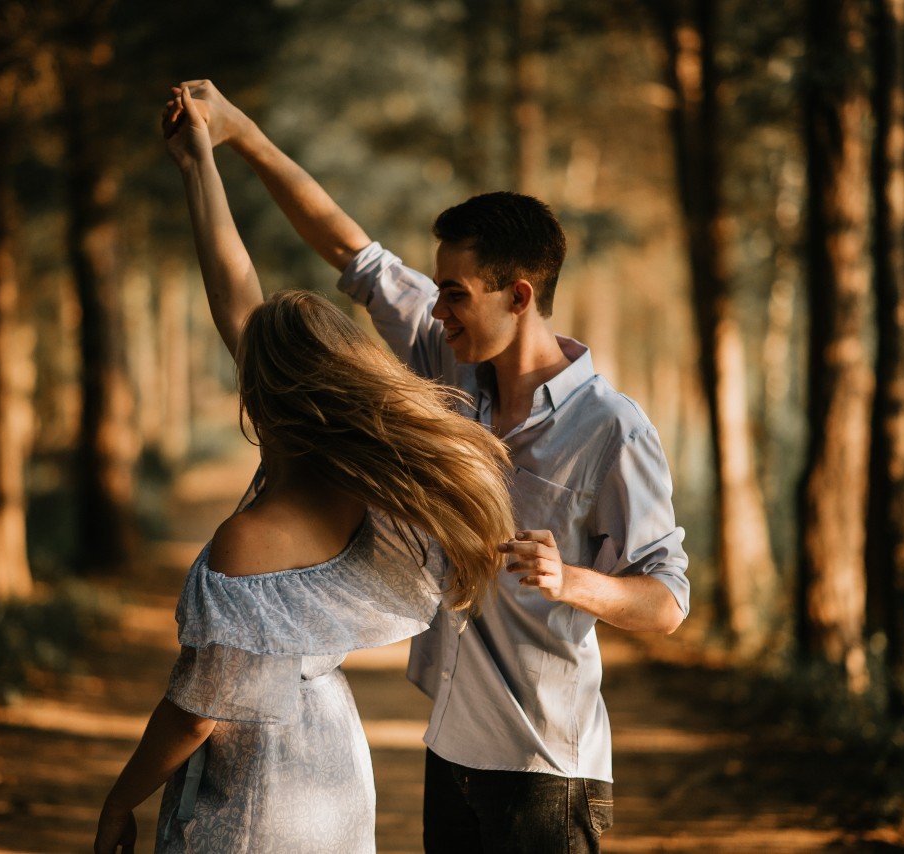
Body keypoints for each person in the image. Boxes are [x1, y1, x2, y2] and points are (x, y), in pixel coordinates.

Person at [171, 80, 692, 853]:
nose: (435, 311)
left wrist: (571, 581)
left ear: (519, 296)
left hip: (546, 765)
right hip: (449, 748)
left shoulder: (611, 430)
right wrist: (242, 138)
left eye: (454, 295)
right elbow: (351, 250)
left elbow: (669, 600)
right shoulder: (447, 364)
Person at [92, 90, 515, 854]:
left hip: (262, 791)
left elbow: (199, 711)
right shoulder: (379, 498)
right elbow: (237, 295)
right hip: (334, 764)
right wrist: (200, 167)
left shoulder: (248, 541)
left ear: (260, 391)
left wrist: (120, 801)